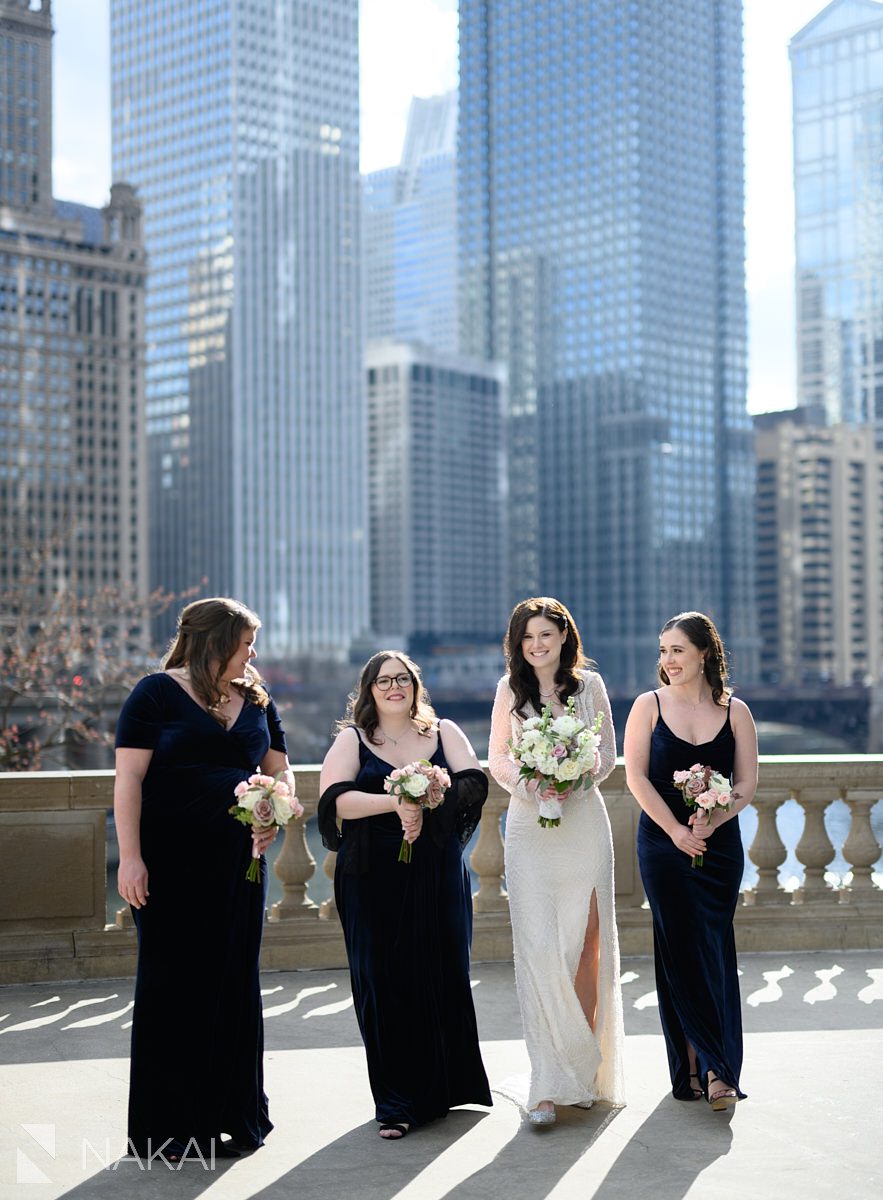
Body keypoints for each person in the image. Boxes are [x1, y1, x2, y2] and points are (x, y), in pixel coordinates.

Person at [114, 597, 297, 1161]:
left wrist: (274, 812)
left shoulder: (258, 700)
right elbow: (129, 782)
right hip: (169, 865)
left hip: (240, 865)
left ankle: (234, 1117)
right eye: (245, 643)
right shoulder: (154, 694)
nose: (253, 653)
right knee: (173, 988)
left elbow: (280, 771)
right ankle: (170, 1129)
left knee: (233, 985)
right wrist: (129, 858)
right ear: (214, 641)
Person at [318, 651, 492, 1139]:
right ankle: (395, 1102)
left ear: (416, 685)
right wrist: (397, 802)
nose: (394, 687)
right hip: (372, 876)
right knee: (383, 980)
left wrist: (430, 798)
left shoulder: (444, 731)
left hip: (435, 873)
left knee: (442, 972)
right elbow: (335, 800)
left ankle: (445, 1088)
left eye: (403, 679)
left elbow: (473, 783)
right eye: (383, 680)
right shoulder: (353, 739)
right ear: (368, 689)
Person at [488, 597, 625, 1124]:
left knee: (586, 946)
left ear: (564, 637)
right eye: (528, 638)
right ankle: (546, 1083)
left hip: (583, 825)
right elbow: (498, 756)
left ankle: (583, 1071)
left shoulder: (590, 687)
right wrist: (534, 783)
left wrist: (572, 780)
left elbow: (607, 756)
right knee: (541, 950)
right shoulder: (509, 691)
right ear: (518, 645)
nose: (537, 645)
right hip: (529, 828)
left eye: (546, 635)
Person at [623, 611, 758, 1110]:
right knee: (679, 946)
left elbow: (746, 785)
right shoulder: (648, 706)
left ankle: (713, 1063)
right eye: (663, 651)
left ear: (704, 653)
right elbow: (635, 778)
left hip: (719, 847)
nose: (668, 660)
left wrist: (714, 819)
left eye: (677, 650)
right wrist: (677, 830)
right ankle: (708, 1067)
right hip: (663, 844)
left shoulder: (736, 712)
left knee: (713, 948)